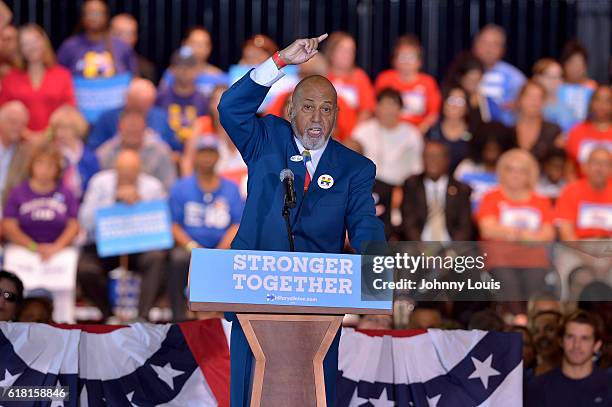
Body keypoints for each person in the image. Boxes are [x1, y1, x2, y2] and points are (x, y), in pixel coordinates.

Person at [217, 34, 385, 406]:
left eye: (326, 109)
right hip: (253, 291)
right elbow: (230, 108)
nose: (317, 117)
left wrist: (376, 263)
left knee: (314, 388)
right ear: (290, 110)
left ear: (337, 116)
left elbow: (363, 223)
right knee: (249, 390)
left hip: (317, 298)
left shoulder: (355, 167)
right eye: (307, 107)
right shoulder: (266, 139)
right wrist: (279, 61)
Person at [77, 149, 166, 320]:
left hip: (140, 246)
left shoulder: (152, 187)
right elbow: (84, 220)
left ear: (139, 170)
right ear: (115, 169)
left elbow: (161, 225)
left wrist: (141, 204)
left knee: (157, 259)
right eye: (122, 172)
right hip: (103, 245)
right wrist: (113, 202)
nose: (126, 176)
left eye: (131, 172)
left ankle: (143, 317)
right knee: (86, 270)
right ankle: (108, 314)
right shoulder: (99, 182)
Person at [168, 136, 243, 321]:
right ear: (195, 157)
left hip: (222, 248)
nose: (207, 158)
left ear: (218, 157)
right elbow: (173, 225)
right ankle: (179, 318)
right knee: (177, 259)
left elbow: (237, 223)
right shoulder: (181, 187)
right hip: (190, 248)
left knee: (237, 259)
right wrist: (193, 247)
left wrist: (218, 251)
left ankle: (229, 317)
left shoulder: (231, 189)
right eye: (202, 153)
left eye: (211, 153)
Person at [2, 143, 79, 261]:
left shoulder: (66, 193)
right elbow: (9, 225)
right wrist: (34, 247)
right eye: (40, 163)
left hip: (59, 253)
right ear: (31, 165)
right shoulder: (18, 192)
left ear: (58, 169)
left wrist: (56, 248)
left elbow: (73, 225)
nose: (44, 170)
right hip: (23, 252)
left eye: (50, 165)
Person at [0, 24, 75, 134]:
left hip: (55, 140)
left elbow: (68, 111)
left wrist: (46, 137)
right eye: (26, 43)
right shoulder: (10, 78)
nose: (32, 47)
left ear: (44, 42)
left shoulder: (63, 75)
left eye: (35, 41)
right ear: (20, 48)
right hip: (19, 142)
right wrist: (25, 136)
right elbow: (4, 112)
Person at [527, 310, 612, 406]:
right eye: (570, 337)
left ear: (597, 345)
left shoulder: (609, 386)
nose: (576, 345)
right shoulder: (538, 388)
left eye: (584, 338)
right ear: (561, 341)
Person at [401, 140, 474, 241]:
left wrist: (450, 251)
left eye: (437, 156)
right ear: (422, 159)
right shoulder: (412, 185)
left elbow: (464, 227)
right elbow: (408, 223)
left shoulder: (461, 189)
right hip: (418, 246)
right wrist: (423, 250)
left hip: (452, 247)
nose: (432, 160)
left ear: (447, 160)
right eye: (428, 156)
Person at [351, 87, 423, 188]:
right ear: (376, 107)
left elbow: (417, 167)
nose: (388, 110)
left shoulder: (412, 133)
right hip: (368, 186)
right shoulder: (363, 130)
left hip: (400, 187)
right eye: (384, 105)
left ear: (400, 109)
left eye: (392, 105)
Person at [477, 149, 555, 242]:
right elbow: (487, 230)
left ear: (530, 174)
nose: (515, 175)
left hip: (533, 253)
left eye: (522, 171)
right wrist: (522, 235)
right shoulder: (491, 197)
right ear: (501, 172)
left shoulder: (542, 201)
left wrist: (506, 233)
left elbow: (548, 235)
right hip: (498, 253)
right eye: (510, 170)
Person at [87, 78, 180, 151]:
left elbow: (175, 148)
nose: (137, 116)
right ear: (127, 99)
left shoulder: (161, 118)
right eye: (135, 107)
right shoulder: (107, 118)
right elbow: (94, 151)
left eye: (143, 108)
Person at [374, 34, 441, 133]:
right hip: (388, 129)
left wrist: (420, 130)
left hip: (419, 132)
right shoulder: (385, 79)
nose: (407, 62)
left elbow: (433, 113)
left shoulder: (428, 82)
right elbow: (375, 107)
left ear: (419, 61)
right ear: (394, 61)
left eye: (411, 57)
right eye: (402, 57)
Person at [96, 109, 177, 190]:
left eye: (136, 128)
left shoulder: (161, 152)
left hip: (153, 199)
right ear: (119, 128)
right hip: (113, 198)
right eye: (129, 128)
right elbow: (99, 185)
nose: (132, 131)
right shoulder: (105, 152)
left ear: (145, 128)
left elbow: (169, 185)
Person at [57, 0, 136, 77]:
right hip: (79, 89)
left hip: (116, 89)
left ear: (106, 16)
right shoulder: (69, 46)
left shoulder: (122, 46)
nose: (93, 17)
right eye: (89, 13)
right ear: (82, 17)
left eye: (97, 13)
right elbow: (58, 77)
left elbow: (133, 77)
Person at [472, 24, 526, 126]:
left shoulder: (515, 78)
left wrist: (518, 106)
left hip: (506, 132)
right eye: (484, 43)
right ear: (475, 45)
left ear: (503, 49)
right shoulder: (462, 72)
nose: (489, 49)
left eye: (494, 44)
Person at [555, 147, 612, 240]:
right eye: (595, 163)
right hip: (578, 245)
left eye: (605, 164)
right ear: (584, 167)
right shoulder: (570, 191)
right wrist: (583, 253)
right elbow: (566, 232)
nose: (600, 168)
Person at [156, 46, 208, 143]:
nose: (184, 70)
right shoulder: (160, 97)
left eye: (189, 66)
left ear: (197, 70)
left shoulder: (203, 100)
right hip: (166, 152)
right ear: (171, 69)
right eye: (180, 66)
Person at [160, 27, 227, 100]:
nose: (198, 48)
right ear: (184, 44)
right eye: (194, 43)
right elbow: (161, 99)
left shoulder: (219, 77)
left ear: (209, 48)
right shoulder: (173, 73)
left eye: (203, 44)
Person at [324, 31, 375, 127]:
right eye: (342, 50)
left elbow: (367, 110)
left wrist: (353, 135)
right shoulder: (321, 75)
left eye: (351, 51)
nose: (347, 55)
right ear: (331, 51)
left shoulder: (360, 77)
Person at [48, 105, 99, 199]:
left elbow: (95, 182)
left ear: (76, 129)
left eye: (65, 128)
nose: (59, 133)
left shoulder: (89, 156)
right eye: (57, 129)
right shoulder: (51, 153)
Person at [564, 86, 611, 179]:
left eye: (608, 101)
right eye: (598, 100)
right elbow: (569, 167)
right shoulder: (577, 131)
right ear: (591, 103)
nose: (602, 105)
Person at [511, 80, 562, 163]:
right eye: (530, 96)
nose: (534, 101)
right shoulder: (509, 131)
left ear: (544, 102)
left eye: (539, 97)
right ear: (520, 100)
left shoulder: (553, 131)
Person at [425, 87, 473, 173]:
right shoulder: (432, 129)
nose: (454, 105)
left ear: (467, 108)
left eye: (460, 102)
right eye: (451, 100)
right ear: (444, 104)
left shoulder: (472, 133)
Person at [442, 52, 486, 132]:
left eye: (477, 80)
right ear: (460, 77)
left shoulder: (485, 102)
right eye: (469, 80)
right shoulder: (451, 98)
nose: (473, 85)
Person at [532, 58, 579, 132]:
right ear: (537, 78)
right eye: (550, 77)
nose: (555, 81)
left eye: (559, 77)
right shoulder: (528, 106)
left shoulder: (567, 111)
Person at [558, 41, 597, 124]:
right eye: (571, 63)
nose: (575, 68)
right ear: (564, 65)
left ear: (585, 66)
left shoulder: (593, 88)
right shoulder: (556, 87)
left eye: (579, 64)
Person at [110, 13, 157, 82]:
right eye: (119, 34)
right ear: (109, 34)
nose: (124, 39)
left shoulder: (145, 69)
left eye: (129, 34)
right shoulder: (95, 60)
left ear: (135, 38)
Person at [0, 101, 31, 203]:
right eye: (13, 122)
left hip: (9, 207)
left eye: (22, 124)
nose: (17, 127)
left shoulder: (26, 153)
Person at [528, 310, 563, 378]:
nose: (541, 335)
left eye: (549, 329)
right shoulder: (527, 378)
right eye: (536, 331)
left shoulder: (576, 373)